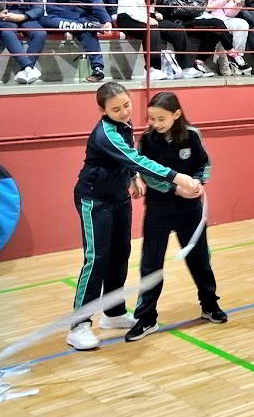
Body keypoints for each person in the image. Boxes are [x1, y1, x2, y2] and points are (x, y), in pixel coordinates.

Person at [65, 82, 202, 351]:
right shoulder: (105, 134)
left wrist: (132, 177)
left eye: (126, 105)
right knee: (96, 259)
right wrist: (176, 177)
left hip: (118, 197)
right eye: (116, 109)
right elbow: (134, 158)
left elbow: (127, 161)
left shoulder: (124, 126)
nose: (124, 112)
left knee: (119, 254)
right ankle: (78, 325)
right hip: (95, 200)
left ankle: (113, 313)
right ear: (103, 111)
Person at [125, 92, 226, 340]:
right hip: (158, 209)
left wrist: (199, 182)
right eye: (151, 119)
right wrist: (174, 188)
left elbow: (204, 164)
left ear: (176, 114)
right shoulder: (147, 140)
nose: (155, 124)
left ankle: (210, 305)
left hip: (190, 210)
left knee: (199, 258)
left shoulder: (192, 135)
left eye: (161, 119)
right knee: (151, 263)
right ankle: (146, 318)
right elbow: (146, 173)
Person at [41, 0, 111, 82]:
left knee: (89, 32)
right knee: (45, 20)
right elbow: (51, 8)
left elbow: (98, 6)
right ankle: (82, 25)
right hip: (64, 19)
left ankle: (97, 69)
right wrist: (79, 21)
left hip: (84, 18)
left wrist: (107, 21)